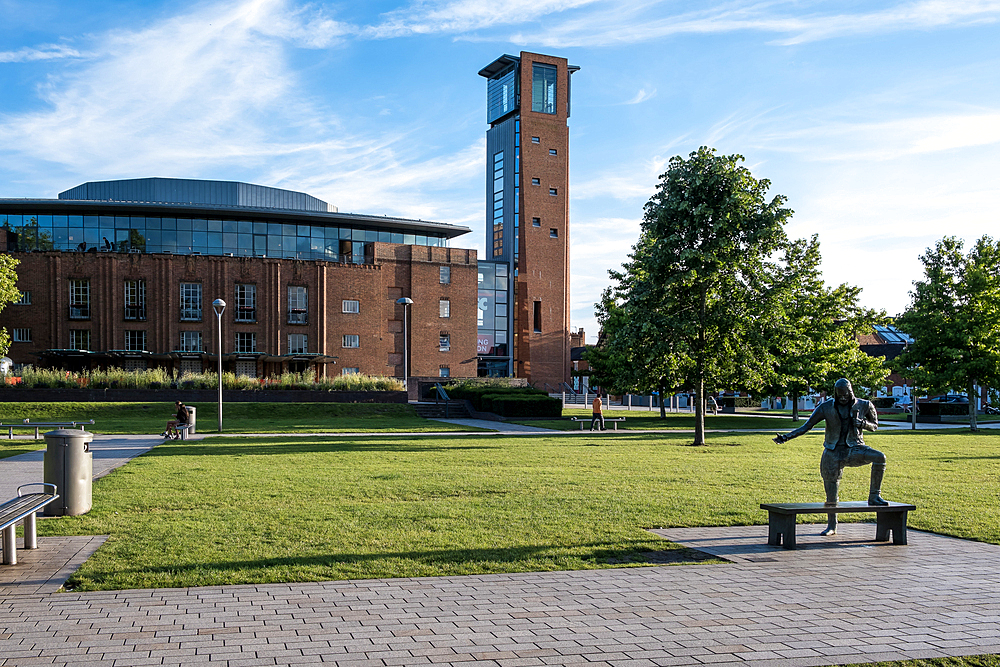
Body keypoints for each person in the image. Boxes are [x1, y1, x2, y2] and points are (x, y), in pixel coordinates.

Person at [773, 378, 888, 536]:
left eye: (845, 395)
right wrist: (786, 437)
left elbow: (875, 425)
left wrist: (862, 424)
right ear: (835, 393)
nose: (842, 398)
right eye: (839, 395)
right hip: (833, 452)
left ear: (851, 391)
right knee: (831, 492)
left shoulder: (865, 405)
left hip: (855, 448)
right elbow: (807, 426)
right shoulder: (826, 407)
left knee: (880, 457)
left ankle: (874, 496)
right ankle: (832, 526)